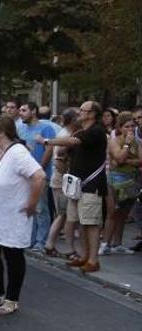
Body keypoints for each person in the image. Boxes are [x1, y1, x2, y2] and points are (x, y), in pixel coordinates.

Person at [0, 115, 46, 315]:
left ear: (2, 132)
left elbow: (39, 176)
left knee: (13, 257)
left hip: (12, 215)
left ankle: (12, 299)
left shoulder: (18, 152)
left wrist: (32, 204)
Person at [41, 101, 108, 273]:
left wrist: (49, 141)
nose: (79, 112)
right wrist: (62, 150)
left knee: (91, 223)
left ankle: (93, 260)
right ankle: (85, 256)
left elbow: (74, 141)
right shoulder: (82, 131)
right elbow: (67, 149)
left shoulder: (96, 131)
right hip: (77, 185)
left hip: (90, 185)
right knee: (81, 222)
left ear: (93, 113)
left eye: (83, 110)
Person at [100, 112, 141, 254]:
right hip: (114, 182)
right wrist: (127, 146)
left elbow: (139, 160)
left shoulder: (138, 142)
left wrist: (125, 161)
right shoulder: (114, 141)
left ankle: (117, 244)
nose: (130, 129)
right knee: (113, 212)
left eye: (132, 126)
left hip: (131, 181)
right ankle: (105, 244)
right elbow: (118, 158)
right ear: (120, 127)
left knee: (124, 213)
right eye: (126, 126)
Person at [17, 101, 55, 251]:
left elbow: (49, 149)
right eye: (20, 110)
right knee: (28, 206)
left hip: (40, 175)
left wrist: (40, 169)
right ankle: (30, 239)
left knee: (41, 208)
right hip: (24, 175)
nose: (20, 113)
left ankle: (41, 240)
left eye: (23, 110)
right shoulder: (21, 128)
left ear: (33, 111)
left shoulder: (46, 128)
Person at [44, 108, 81, 258]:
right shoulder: (66, 135)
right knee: (64, 214)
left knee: (64, 214)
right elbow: (59, 161)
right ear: (72, 120)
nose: (81, 117)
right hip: (62, 180)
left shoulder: (69, 133)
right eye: (78, 115)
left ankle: (50, 245)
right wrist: (67, 174)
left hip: (63, 180)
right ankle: (65, 248)